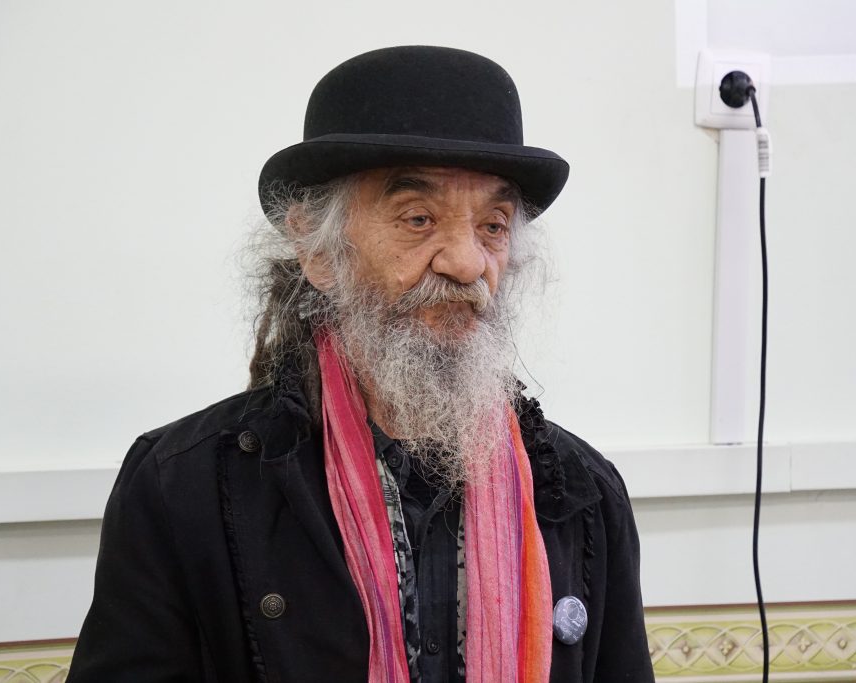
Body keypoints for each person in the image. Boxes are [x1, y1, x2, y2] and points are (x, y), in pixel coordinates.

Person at [68, 45, 653, 682]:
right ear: (317, 250)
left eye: (494, 225)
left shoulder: (582, 495)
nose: (467, 263)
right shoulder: (183, 486)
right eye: (418, 218)